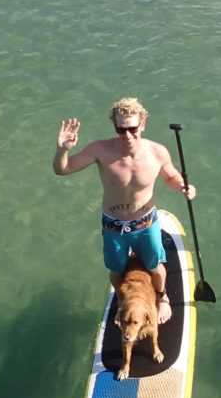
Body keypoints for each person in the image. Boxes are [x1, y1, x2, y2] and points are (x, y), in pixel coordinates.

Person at [53, 97, 196, 323]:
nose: (127, 135)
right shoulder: (100, 150)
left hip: (145, 222)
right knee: (117, 269)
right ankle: (123, 301)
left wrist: (184, 187)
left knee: (155, 266)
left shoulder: (157, 152)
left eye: (132, 128)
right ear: (115, 126)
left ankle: (162, 297)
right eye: (121, 129)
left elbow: (170, 177)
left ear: (142, 124)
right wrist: (62, 151)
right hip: (113, 225)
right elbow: (64, 169)